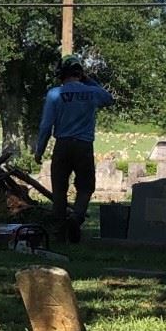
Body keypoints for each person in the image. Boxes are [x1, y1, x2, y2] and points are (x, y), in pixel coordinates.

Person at [33, 56, 117, 242]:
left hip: (62, 145)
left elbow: (46, 125)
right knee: (86, 187)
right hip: (84, 146)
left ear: (61, 74)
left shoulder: (55, 94)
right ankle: (76, 217)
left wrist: (39, 150)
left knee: (59, 190)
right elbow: (109, 98)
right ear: (80, 73)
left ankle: (59, 232)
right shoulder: (91, 92)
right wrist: (87, 80)